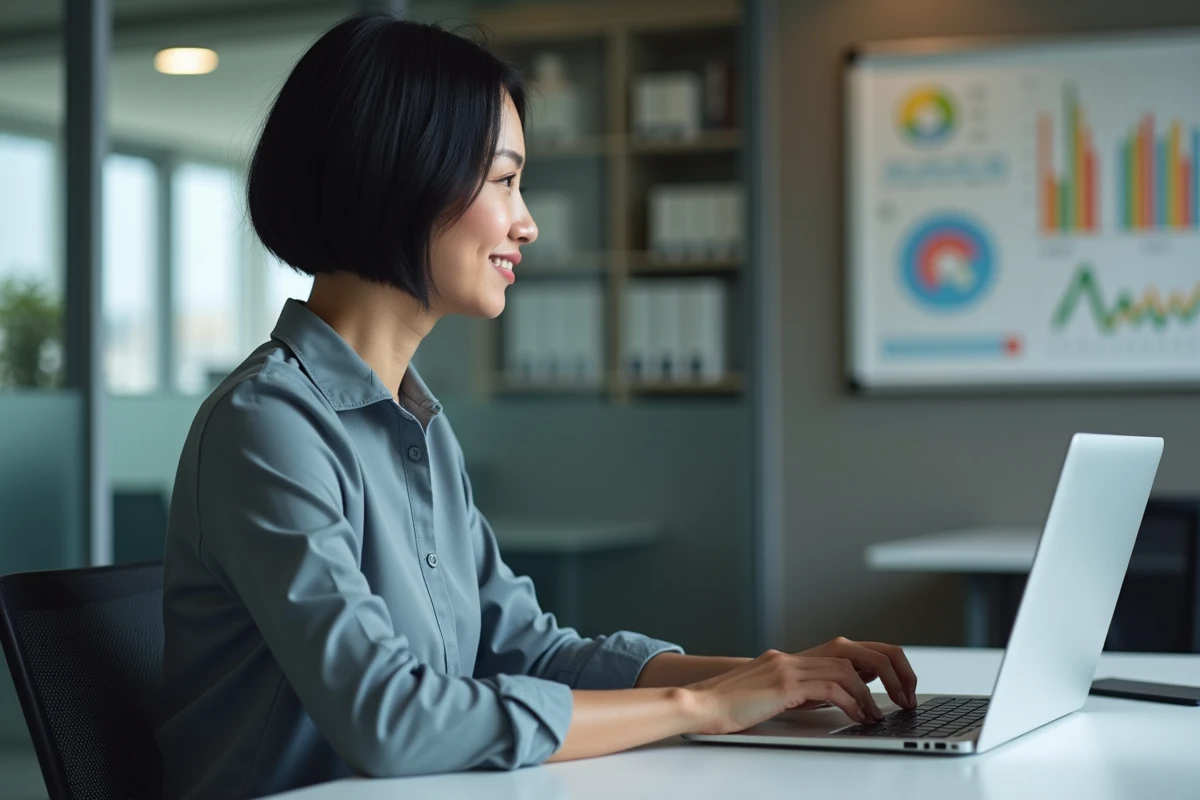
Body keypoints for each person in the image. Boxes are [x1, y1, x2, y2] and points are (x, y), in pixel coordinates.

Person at [154, 12, 918, 799]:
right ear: (402, 174)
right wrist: (701, 706)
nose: (528, 222)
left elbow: (527, 650)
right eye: (505, 180)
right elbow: (392, 720)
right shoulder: (269, 426)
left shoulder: (418, 427)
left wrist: (773, 678)